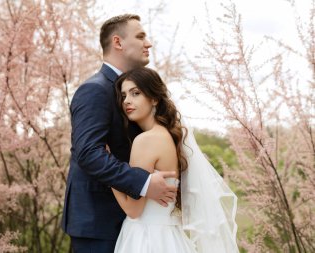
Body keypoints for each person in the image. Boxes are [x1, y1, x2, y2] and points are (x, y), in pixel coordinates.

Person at [61, 14, 178, 253]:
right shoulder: (94, 90)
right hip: (99, 224)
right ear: (118, 42)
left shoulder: (133, 92)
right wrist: (143, 182)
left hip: (138, 224)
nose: (149, 43)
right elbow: (89, 153)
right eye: (140, 36)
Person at [113, 67, 240, 253]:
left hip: (145, 239)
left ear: (154, 98)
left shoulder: (146, 140)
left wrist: (109, 174)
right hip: (170, 238)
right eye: (124, 95)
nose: (127, 101)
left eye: (136, 93)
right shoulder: (168, 136)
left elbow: (133, 210)